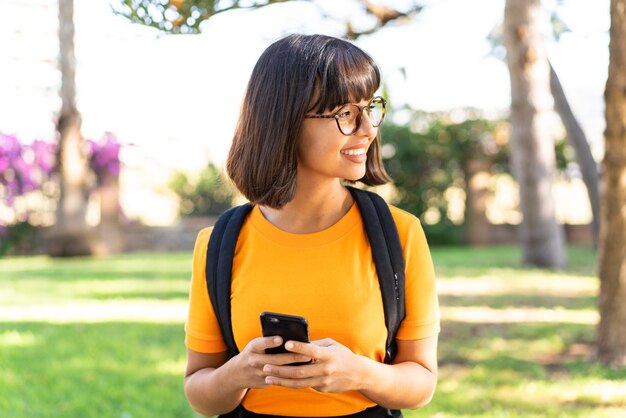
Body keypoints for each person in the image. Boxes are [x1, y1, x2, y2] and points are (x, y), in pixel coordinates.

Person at [184, 33, 440, 418]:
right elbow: (200, 393)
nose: (368, 128)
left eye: (370, 108)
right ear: (284, 121)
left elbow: (421, 382)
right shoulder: (219, 243)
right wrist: (239, 373)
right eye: (346, 114)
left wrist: (360, 373)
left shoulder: (400, 234)